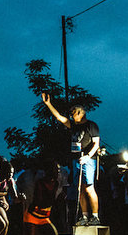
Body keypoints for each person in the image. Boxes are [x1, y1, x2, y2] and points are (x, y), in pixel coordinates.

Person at [40, 93, 101, 225]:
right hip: (76, 159)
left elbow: (96, 143)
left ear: (80, 113)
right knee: (80, 188)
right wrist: (48, 104)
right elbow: (59, 118)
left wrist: (88, 156)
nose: (72, 116)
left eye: (73, 113)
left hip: (88, 160)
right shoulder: (73, 125)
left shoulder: (91, 126)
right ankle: (84, 216)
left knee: (89, 187)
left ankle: (95, 216)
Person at [13, 159, 60, 235]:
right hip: (32, 215)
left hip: (44, 216)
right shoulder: (40, 182)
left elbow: (50, 200)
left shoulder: (56, 183)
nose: (57, 172)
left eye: (58, 170)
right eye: (55, 169)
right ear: (48, 171)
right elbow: (40, 201)